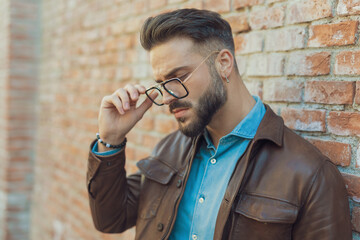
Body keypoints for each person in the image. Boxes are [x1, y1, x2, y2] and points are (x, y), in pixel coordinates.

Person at [86, 8, 352, 240]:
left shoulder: (310, 174)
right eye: (161, 84)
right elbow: (111, 219)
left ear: (223, 63)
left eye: (178, 77)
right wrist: (111, 140)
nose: (167, 97)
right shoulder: (170, 149)